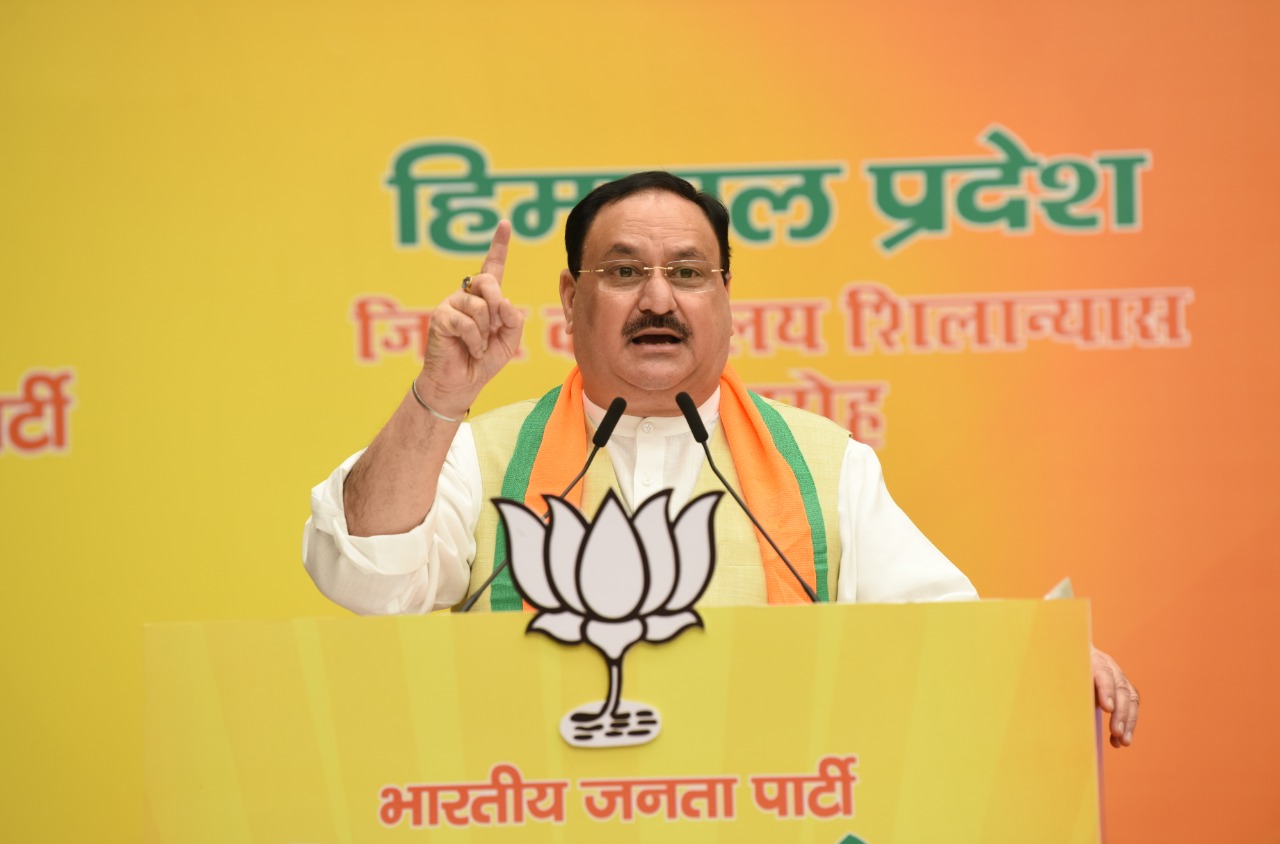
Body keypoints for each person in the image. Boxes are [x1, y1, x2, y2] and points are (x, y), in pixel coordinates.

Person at [303, 171, 1139, 748]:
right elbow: (368, 583)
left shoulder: (823, 466)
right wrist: (440, 399)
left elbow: (939, 635)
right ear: (569, 299)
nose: (658, 299)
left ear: (726, 298)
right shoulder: (479, 455)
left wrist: (1039, 659)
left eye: (689, 273)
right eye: (624, 270)